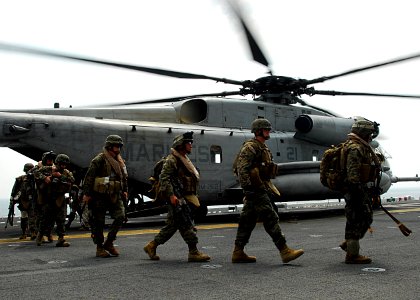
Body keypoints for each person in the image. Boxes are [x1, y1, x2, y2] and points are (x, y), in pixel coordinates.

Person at [231, 118, 304, 264]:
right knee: (271, 218)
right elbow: (242, 169)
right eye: (266, 129)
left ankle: (238, 252)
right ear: (259, 131)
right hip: (255, 190)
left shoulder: (262, 148)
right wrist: (248, 189)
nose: (269, 131)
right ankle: (284, 251)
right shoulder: (251, 148)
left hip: (260, 187)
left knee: (247, 221)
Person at [143, 131, 210, 262]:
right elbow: (164, 178)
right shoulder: (172, 160)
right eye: (189, 143)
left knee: (172, 226)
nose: (191, 145)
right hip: (178, 198)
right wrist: (171, 195)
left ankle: (152, 246)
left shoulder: (184, 159)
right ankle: (193, 252)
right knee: (187, 224)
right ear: (181, 145)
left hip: (184, 198)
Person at [339, 119, 381, 264]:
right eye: (369, 133)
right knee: (356, 220)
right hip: (354, 189)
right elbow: (353, 175)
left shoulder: (358, 146)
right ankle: (352, 254)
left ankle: (349, 244)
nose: (371, 137)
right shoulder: (356, 148)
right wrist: (358, 193)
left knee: (362, 217)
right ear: (363, 133)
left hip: (354, 188)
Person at [82, 135, 128, 258]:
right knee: (99, 222)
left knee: (120, 216)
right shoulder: (99, 159)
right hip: (100, 196)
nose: (118, 149)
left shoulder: (119, 161)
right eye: (116, 146)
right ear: (109, 146)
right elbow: (89, 177)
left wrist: (125, 190)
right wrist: (87, 194)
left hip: (115, 194)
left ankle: (109, 242)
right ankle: (99, 247)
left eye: (119, 146)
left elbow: (123, 178)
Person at [34, 154, 75, 247]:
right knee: (45, 219)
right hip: (48, 198)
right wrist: (45, 177)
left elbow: (72, 180)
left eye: (65, 164)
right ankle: (40, 236)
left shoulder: (66, 172)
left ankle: (61, 239)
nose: (63, 166)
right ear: (57, 163)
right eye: (61, 164)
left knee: (61, 219)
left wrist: (60, 176)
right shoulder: (47, 169)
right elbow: (36, 173)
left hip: (60, 198)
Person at [32, 151, 57, 243]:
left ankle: (49, 233)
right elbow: (33, 173)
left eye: (51, 159)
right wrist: (44, 177)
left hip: (51, 194)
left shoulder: (55, 167)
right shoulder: (38, 167)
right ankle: (40, 234)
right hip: (40, 195)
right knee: (40, 216)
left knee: (51, 216)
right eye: (48, 159)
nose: (50, 161)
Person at [9, 163, 35, 239]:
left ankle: (31, 232)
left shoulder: (31, 178)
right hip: (24, 201)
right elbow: (14, 191)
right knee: (26, 217)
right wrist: (12, 200)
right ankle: (26, 233)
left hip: (30, 201)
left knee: (30, 217)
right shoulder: (20, 179)